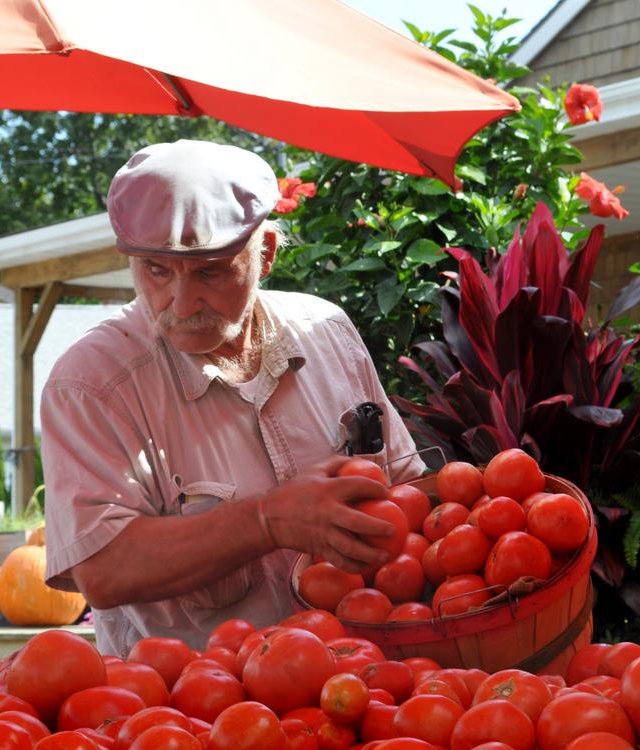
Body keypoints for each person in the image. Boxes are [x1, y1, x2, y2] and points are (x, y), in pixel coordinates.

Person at [41, 139, 424, 656]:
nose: (181, 301)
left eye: (209, 271)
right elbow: (103, 570)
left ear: (264, 253)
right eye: (157, 271)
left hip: (368, 688)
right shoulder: (91, 385)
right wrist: (267, 521)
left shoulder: (326, 331)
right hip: (192, 715)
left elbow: (406, 488)